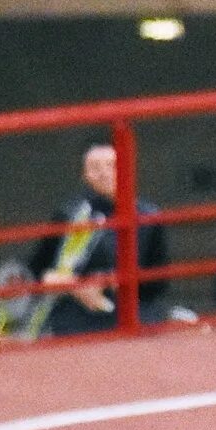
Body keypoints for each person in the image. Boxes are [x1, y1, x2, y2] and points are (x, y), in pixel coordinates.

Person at [21, 141, 170, 337]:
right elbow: (39, 270)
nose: (104, 173)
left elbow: (158, 282)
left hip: (132, 310)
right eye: (95, 167)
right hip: (74, 312)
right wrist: (77, 287)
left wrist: (113, 282)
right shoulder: (69, 215)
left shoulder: (149, 217)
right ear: (84, 175)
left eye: (111, 166)